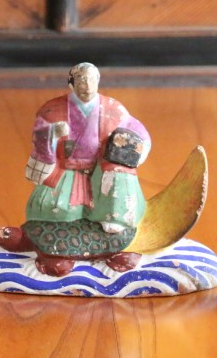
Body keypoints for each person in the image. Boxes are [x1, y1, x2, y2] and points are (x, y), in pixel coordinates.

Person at [23, 62, 150, 233]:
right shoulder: (53, 109)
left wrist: (135, 152)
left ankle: (114, 220)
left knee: (119, 191)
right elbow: (39, 135)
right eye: (82, 80)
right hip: (66, 171)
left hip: (104, 170)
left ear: (98, 81)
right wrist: (52, 133)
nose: (87, 86)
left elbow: (137, 132)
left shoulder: (113, 108)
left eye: (92, 80)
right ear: (71, 83)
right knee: (50, 208)